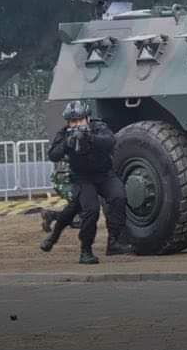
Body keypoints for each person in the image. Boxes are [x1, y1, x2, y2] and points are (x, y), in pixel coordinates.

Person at [41, 100, 132, 264]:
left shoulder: (98, 127)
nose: (76, 124)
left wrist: (89, 137)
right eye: (73, 121)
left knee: (119, 197)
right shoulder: (64, 133)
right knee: (90, 210)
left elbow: (110, 141)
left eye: (80, 120)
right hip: (82, 178)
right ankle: (85, 250)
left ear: (87, 119)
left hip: (104, 174)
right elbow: (53, 154)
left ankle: (114, 241)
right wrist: (66, 144)